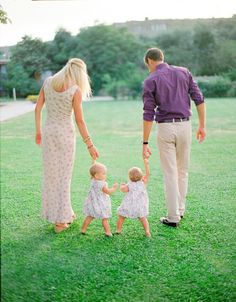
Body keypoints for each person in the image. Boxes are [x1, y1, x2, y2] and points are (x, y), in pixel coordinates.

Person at [142, 48, 206, 227]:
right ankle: (180, 210)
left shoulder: (151, 79)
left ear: (149, 61)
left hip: (165, 128)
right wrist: (202, 125)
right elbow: (199, 99)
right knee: (182, 171)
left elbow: (148, 113)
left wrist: (145, 142)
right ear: (162, 58)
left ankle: (173, 216)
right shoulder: (184, 72)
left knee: (170, 173)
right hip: (185, 125)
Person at [35, 58, 99, 233]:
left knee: (52, 174)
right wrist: (90, 145)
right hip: (65, 135)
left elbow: (38, 107)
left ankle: (65, 212)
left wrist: (38, 131)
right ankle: (61, 221)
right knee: (64, 176)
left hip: (49, 132)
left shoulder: (48, 82)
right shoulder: (75, 90)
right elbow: (79, 120)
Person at [116, 158, 151, 237]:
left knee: (121, 216)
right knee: (143, 218)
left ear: (129, 177)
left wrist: (122, 185)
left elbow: (123, 190)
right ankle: (147, 231)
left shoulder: (129, 184)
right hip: (140, 205)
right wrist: (146, 163)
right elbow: (148, 173)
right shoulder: (143, 183)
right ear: (141, 176)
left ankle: (118, 229)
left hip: (129, 205)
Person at [81, 162, 118, 237]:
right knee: (105, 218)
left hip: (92, 203)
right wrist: (114, 188)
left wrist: (94, 161)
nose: (105, 175)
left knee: (90, 216)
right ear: (97, 175)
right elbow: (108, 192)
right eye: (103, 173)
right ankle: (108, 232)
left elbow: (93, 171)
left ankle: (83, 229)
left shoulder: (93, 180)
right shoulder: (102, 184)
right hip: (100, 203)